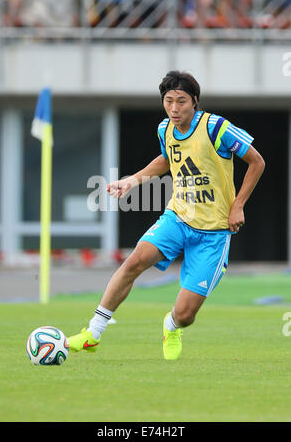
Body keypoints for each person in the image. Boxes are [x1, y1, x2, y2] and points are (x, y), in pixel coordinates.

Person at [68, 70, 265, 360]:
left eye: (181, 101)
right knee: (134, 262)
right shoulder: (165, 129)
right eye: (169, 101)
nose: (174, 108)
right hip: (177, 217)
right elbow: (167, 159)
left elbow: (257, 161)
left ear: (194, 101)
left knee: (186, 314)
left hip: (214, 233)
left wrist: (237, 205)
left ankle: (171, 325)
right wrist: (132, 180)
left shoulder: (216, 127)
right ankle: (93, 333)